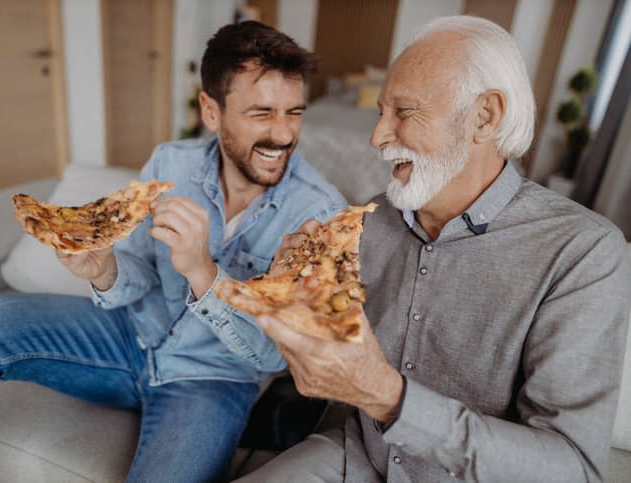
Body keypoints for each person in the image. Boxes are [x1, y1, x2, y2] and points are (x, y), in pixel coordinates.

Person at [0, 21, 346, 483]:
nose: (283, 134)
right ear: (211, 112)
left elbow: (275, 357)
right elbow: (138, 267)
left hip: (211, 380)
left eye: (294, 112)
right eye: (262, 113)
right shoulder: (170, 162)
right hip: (129, 335)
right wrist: (104, 270)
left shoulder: (319, 213)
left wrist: (204, 272)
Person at [236, 16, 630, 483]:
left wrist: (390, 398)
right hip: (354, 454)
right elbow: (311, 356)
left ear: (485, 116)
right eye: (381, 111)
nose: (377, 136)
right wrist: (285, 299)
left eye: (404, 112)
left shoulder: (584, 253)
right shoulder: (366, 222)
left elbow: (573, 469)